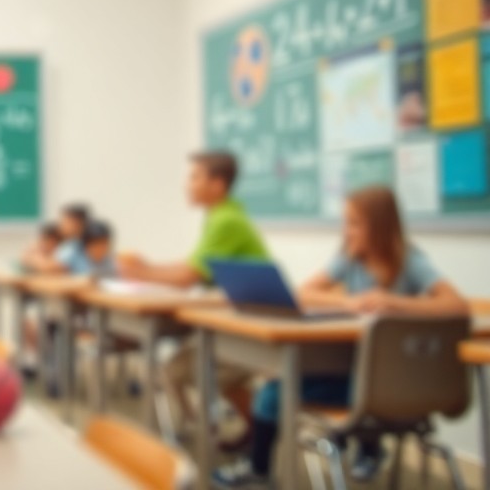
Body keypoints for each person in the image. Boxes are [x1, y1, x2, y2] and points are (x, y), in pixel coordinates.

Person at [214, 186, 468, 488]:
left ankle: (258, 470)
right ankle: (367, 447)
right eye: (346, 222)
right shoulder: (350, 260)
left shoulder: (410, 260)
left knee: (272, 393)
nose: (346, 231)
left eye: (354, 223)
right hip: (376, 384)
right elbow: (303, 292)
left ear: (381, 225)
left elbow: (457, 305)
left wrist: (393, 302)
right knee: (281, 384)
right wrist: (347, 302)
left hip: (378, 387)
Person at [118, 151, 271, 445]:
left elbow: (189, 276)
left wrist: (141, 273)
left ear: (217, 184)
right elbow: (193, 265)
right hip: (242, 315)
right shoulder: (221, 216)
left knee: (176, 370)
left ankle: (215, 429)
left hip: (252, 321)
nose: (188, 185)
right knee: (205, 371)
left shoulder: (226, 220)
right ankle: (251, 431)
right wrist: (146, 268)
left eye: (195, 177)